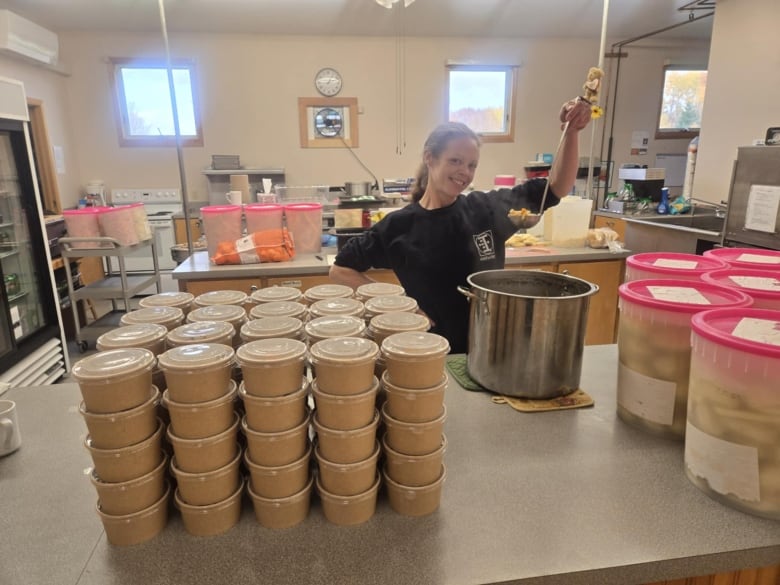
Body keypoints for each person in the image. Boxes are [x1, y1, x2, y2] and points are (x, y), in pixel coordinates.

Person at [329, 98, 593, 354]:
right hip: (427, 352)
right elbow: (340, 270)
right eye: (455, 161)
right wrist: (396, 307)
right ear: (430, 158)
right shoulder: (398, 226)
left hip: (491, 348)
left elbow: (556, 188)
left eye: (472, 165)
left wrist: (572, 132)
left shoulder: (487, 209)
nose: (465, 172)